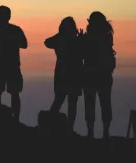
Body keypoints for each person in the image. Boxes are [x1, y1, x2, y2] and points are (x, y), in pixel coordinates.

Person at [0, 5, 28, 122]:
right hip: (12, 66)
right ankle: (16, 119)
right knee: (14, 94)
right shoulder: (16, 29)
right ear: (9, 16)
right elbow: (24, 44)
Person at [45, 17, 83, 131]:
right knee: (72, 103)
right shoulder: (76, 40)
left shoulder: (59, 39)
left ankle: (50, 125)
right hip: (75, 75)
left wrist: (60, 35)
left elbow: (47, 42)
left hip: (62, 74)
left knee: (59, 100)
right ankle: (69, 128)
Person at [81, 11, 115, 139]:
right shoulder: (107, 36)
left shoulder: (88, 38)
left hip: (89, 75)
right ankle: (106, 132)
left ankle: (90, 132)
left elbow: (84, 54)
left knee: (90, 104)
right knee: (105, 103)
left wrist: (81, 39)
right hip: (104, 75)